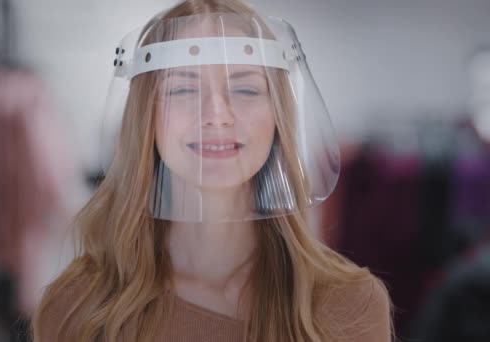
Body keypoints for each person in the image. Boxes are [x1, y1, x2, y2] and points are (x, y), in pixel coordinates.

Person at [32, 0, 393, 341]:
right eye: (184, 89)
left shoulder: (347, 305)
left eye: (246, 90)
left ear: (278, 118)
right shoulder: (82, 307)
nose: (217, 115)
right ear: (146, 121)